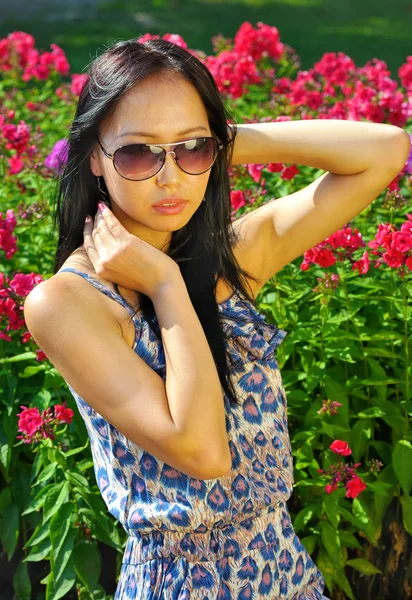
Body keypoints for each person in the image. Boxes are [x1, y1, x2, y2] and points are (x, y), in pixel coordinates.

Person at [24, 36, 409, 599]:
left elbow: (385, 149)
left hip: (286, 573)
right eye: (138, 153)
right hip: (183, 583)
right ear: (94, 158)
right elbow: (202, 451)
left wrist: (228, 140)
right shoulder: (68, 303)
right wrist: (163, 282)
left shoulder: (230, 257)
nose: (170, 176)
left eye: (192, 149)